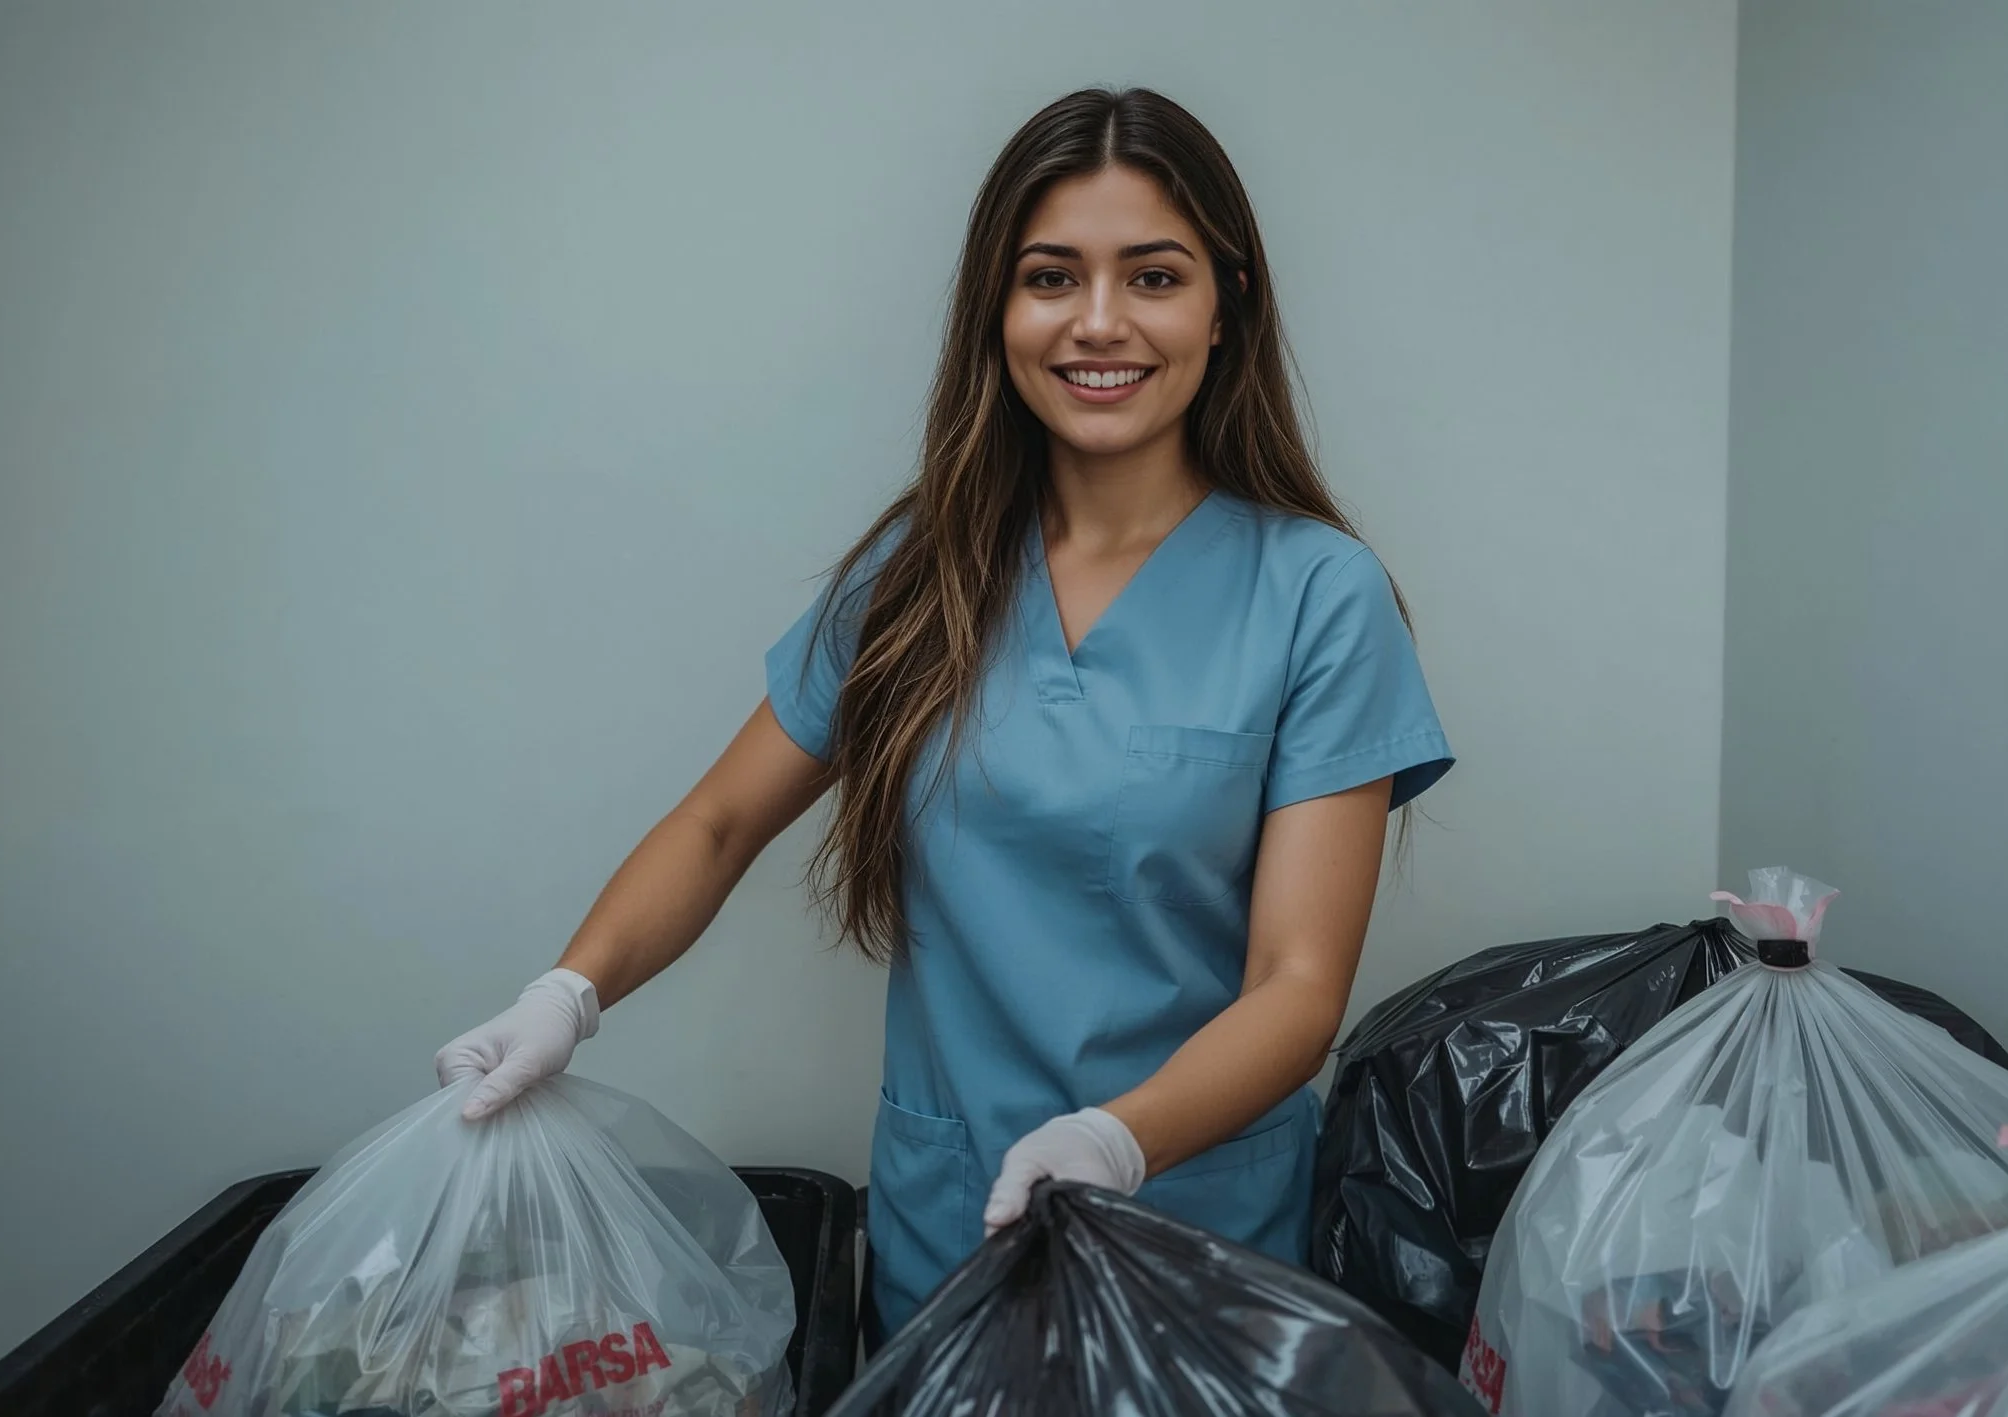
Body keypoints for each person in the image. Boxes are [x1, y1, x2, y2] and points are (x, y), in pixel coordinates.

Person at [434, 86, 1452, 1339]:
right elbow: (716, 823)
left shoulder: (1317, 595)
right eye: (1049, 276)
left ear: (1224, 303)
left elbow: (1299, 987)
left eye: (1152, 276)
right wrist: (566, 993)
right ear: (997, 308)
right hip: (946, 1230)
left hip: (1199, 1238)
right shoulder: (921, 576)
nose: (1097, 322)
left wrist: (1116, 1141)